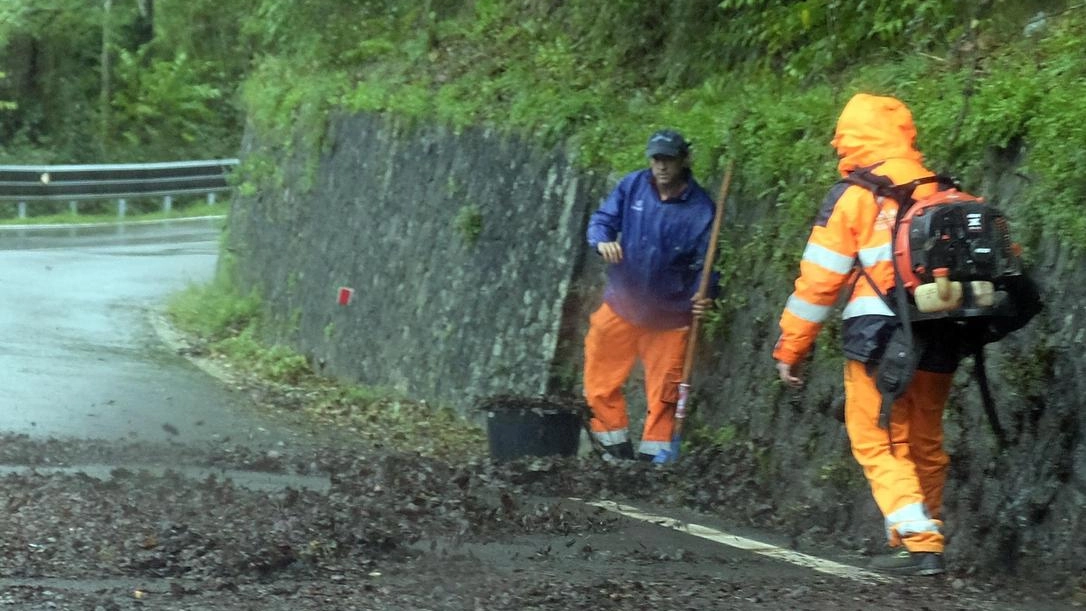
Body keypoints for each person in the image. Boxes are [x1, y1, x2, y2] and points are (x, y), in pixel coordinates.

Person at [773, 93, 963, 576]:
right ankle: (922, 534)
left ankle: (919, 542)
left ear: (849, 138)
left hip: (879, 332)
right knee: (923, 437)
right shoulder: (940, 191)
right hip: (943, 327)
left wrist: (792, 347)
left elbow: (820, 281)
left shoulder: (855, 195)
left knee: (879, 439)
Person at [583, 129, 716, 462]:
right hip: (621, 305)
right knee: (599, 381)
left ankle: (653, 464)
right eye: (656, 159)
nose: (661, 166)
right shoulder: (632, 186)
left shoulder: (701, 209)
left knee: (666, 396)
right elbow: (601, 221)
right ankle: (612, 450)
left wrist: (707, 292)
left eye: (668, 159)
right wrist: (602, 241)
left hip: (670, 317)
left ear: (684, 161)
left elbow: (708, 264)